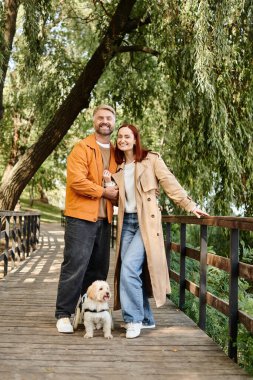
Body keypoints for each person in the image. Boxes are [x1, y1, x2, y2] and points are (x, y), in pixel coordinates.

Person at [104, 123, 208, 339]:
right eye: (120, 137)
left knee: (129, 270)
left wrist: (190, 205)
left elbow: (170, 183)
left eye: (127, 136)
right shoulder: (120, 169)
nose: (122, 140)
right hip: (127, 224)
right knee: (130, 271)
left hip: (146, 224)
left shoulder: (151, 160)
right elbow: (116, 199)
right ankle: (147, 318)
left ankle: (134, 320)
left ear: (135, 140)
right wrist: (107, 183)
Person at [55, 104, 119, 333]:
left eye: (109, 118)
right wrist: (104, 192)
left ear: (114, 122)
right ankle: (63, 314)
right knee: (75, 266)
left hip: (104, 220)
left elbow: (120, 186)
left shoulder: (116, 153)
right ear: (94, 121)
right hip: (81, 218)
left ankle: (90, 314)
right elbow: (76, 181)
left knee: (98, 271)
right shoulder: (81, 148)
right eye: (100, 117)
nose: (104, 121)